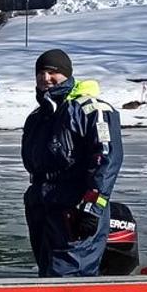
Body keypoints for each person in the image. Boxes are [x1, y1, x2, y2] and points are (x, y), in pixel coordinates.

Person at [22, 48, 124, 277]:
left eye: (52, 72)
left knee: (66, 280)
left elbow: (107, 161)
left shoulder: (92, 110)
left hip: (76, 211)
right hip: (43, 208)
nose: (45, 78)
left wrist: (92, 207)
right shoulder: (38, 117)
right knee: (47, 277)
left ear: (66, 74)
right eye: (40, 73)